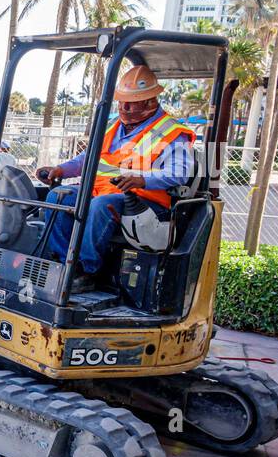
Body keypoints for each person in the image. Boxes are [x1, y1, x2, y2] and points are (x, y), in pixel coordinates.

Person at [38, 65, 194, 289]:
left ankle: (87, 270)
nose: (123, 107)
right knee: (58, 196)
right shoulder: (113, 126)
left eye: (130, 102)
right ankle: (66, 265)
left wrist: (142, 179)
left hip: (144, 202)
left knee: (101, 206)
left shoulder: (172, 132)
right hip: (101, 191)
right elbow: (87, 159)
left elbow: (179, 174)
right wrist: (61, 169)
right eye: (121, 101)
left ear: (150, 102)